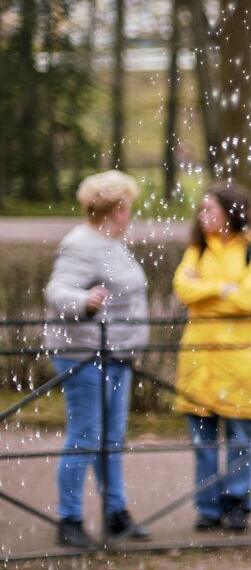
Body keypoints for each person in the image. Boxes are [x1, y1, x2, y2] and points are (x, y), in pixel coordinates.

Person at [43, 171, 151, 549]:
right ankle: (69, 518)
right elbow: (57, 291)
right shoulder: (81, 244)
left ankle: (115, 513)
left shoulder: (112, 243)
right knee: (86, 436)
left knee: (111, 437)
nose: (131, 214)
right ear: (117, 209)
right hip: (84, 355)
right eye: (129, 208)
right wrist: (84, 302)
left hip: (116, 354)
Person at [172, 182, 251, 533]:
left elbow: (248, 298)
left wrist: (208, 293)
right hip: (199, 355)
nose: (203, 216)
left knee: (241, 436)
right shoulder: (196, 250)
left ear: (231, 212)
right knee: (202, 438)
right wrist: (220, 288)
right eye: (201, 210)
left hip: (237, 356)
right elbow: (182, 290)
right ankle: (207, 505)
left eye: (210, 210)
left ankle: (237, 501)